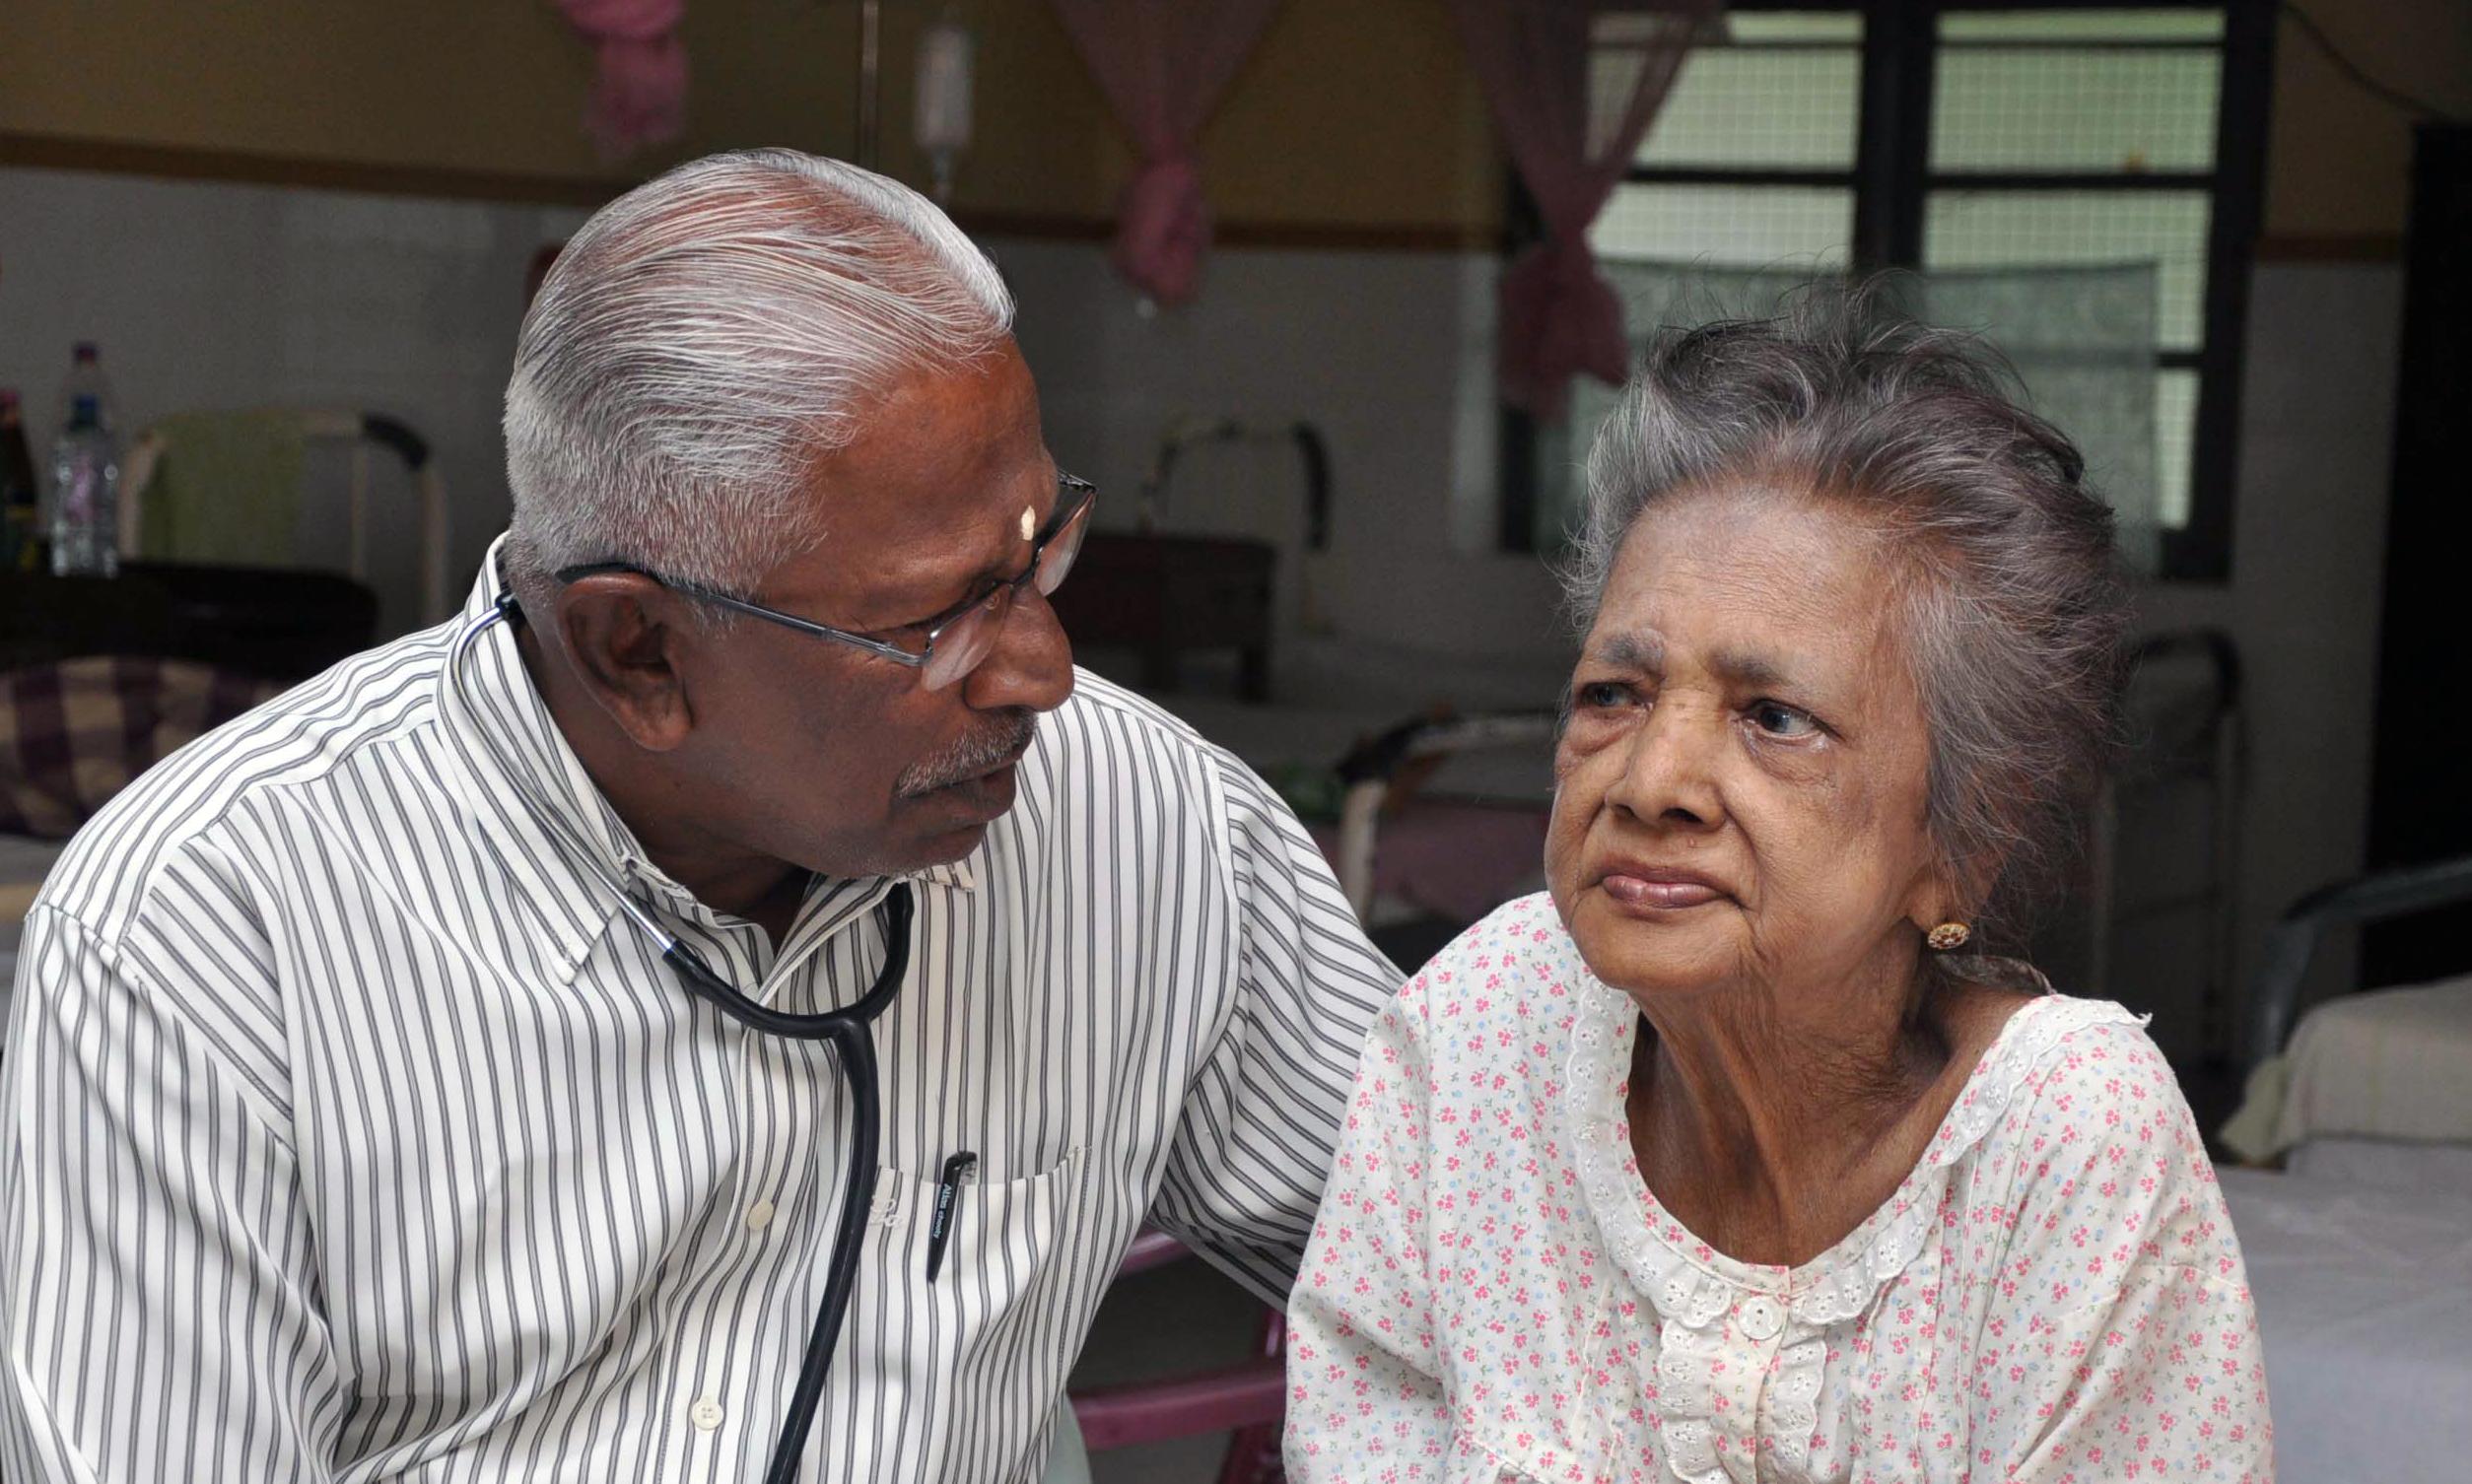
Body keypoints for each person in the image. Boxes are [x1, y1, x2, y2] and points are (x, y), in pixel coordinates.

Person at [0, 150, 1397, 1482]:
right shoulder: (202, 938)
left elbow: (1493, 1264)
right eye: (942, 618)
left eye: (1041, 553)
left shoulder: (1146, 826)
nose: (1044, 671)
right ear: (638, 654)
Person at [1285, 293, 2271, 1483]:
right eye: (1616, 694)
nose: (1652, 781)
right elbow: (1361, 1427)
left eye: (1774, 718)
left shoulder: (2063, 1135)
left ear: (1961, 839)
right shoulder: (1485, 1023)